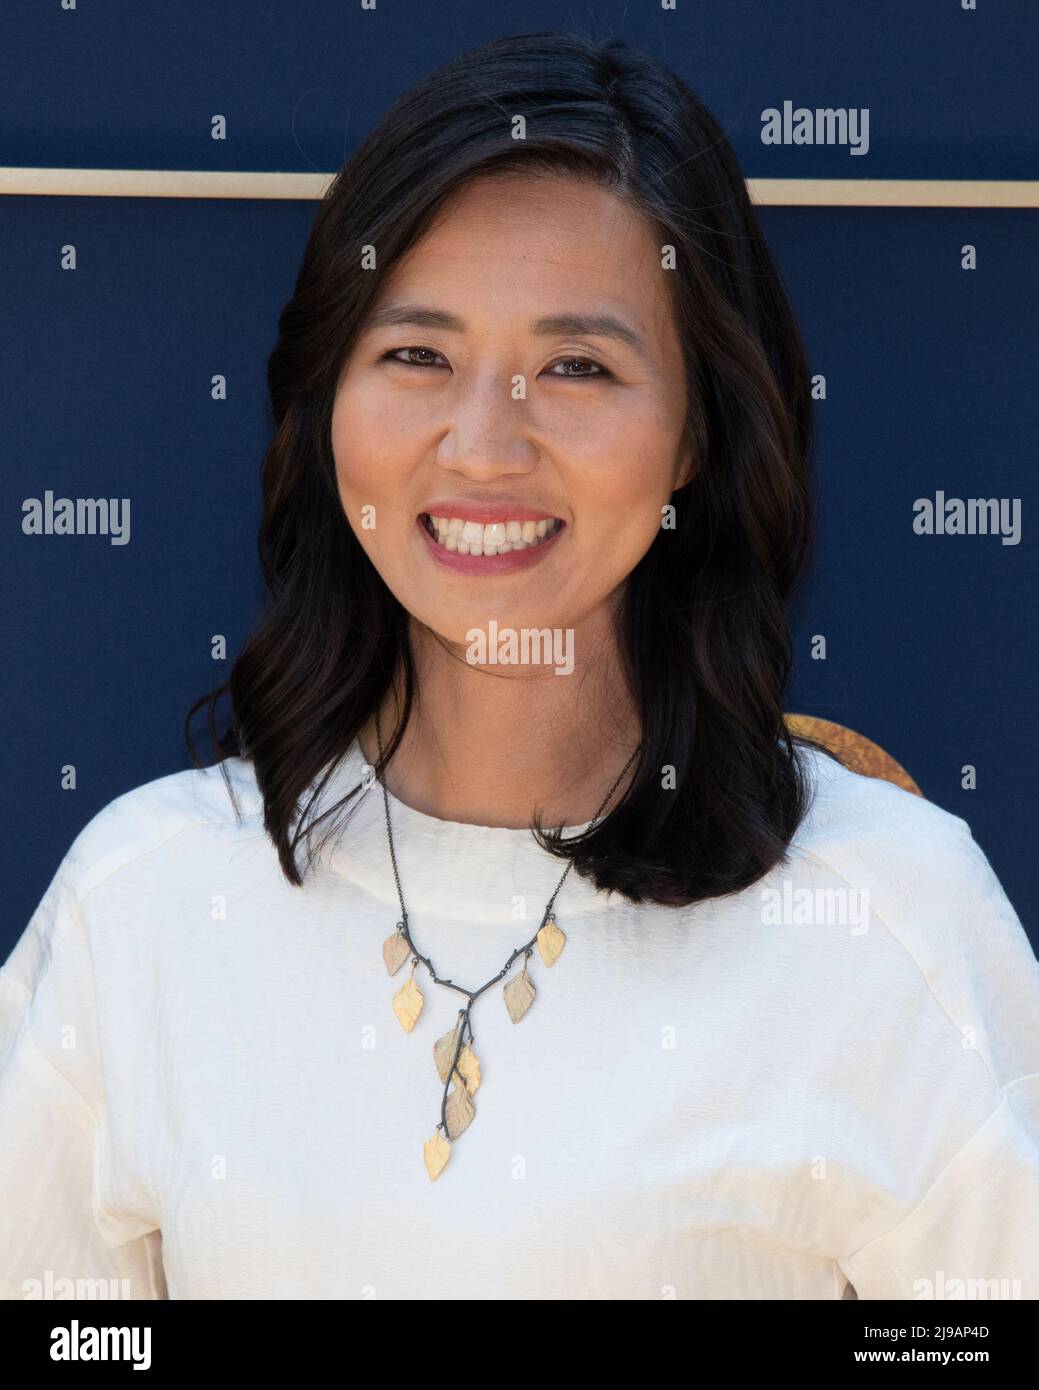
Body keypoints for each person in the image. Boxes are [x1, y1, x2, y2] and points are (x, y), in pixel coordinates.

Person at [3, 29, 1038, 1302]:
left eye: (577, 367)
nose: (483, 444)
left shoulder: (890, 920)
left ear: (698, 436)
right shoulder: (142, 904)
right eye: (419, 355)